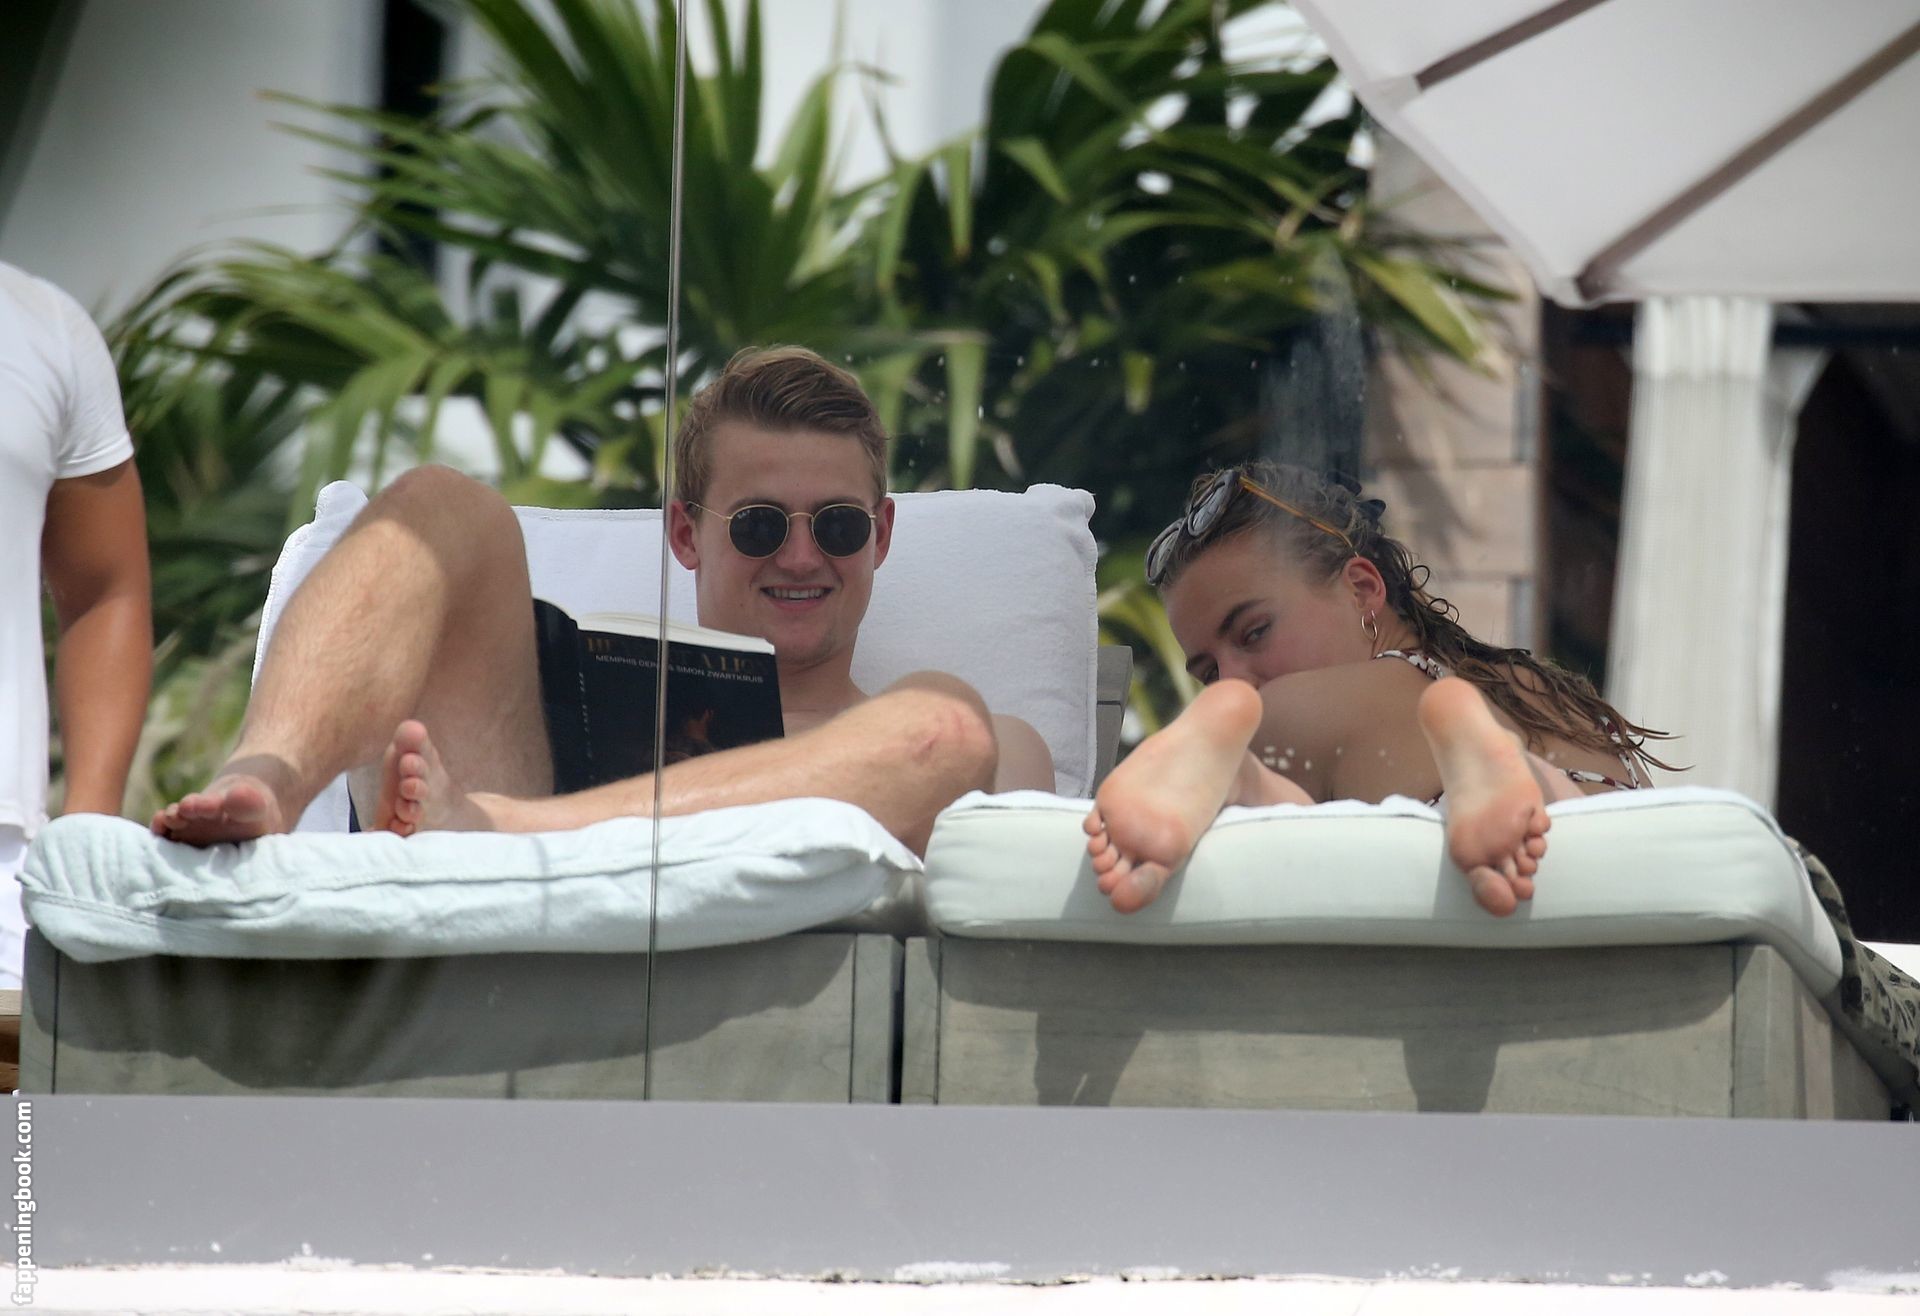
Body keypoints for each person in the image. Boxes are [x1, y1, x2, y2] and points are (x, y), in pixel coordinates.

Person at [153, 346, 1053, 855]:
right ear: (686, 535)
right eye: (757, 525)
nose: (801, 555)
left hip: (488, 833)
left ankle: (514, 834)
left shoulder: (981, 742)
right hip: (497, 873)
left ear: (882, 536)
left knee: (951, 729)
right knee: (440, 504)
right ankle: (263, 780)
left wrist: (492, 826)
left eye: (840, 526)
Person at [1084, 460, 1671, 918]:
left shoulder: (1297, 710)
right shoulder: (1536, 688)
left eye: (1255, 632)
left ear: (1362, 589)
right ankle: (1527, 778)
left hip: (1475, 904)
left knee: (1264, 796)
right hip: (1605, 879)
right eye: (1210, 674)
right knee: (1562, 812)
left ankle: (1241, 779)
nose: (1236, 679)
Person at [0, 262, 152, 990]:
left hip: (4, 866)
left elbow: (106, 592)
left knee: (24, 1081)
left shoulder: (44, 326)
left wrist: (85, 838)